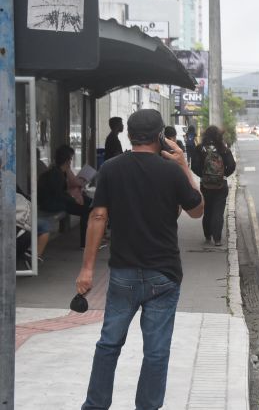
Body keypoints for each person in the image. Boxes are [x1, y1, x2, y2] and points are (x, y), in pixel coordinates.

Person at [75, 109, 203, 410]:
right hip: (164, 275)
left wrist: (87, 269)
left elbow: (98, 216)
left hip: (122, 273)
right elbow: (197, 211)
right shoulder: (171, 171)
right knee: (156, 352)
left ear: (128, 135)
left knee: (108, 344)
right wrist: (184, 165)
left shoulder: (111, 168)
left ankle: (94, 406)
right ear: (160, 136)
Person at [37, 145, 92, 248]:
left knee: (87, 203)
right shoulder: (56, 174)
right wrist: (73, 199)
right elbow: (59, 195)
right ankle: (85, 243)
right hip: (51, 204)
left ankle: (88, 241)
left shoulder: (57, 171)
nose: (71, 162)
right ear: (67, 160)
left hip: (53, 201)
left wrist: (73, 197)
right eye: (70, 159)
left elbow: (61, 192)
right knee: (86, 210)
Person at [191, 125, 236, 246]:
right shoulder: (223, 149)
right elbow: (232, 165)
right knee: (218, 211)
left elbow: (194, 166)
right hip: (221, 185)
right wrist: (223, 174)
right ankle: (217, 239)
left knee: (208, 211)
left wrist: (203, 176)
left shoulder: (200, 149)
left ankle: (207, 236)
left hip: (205, 185)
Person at [16, 187, 51, 268]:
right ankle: (33, 257)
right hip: (16, 220)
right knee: (44, 226)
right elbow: (25, 198)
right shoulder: (8, 180)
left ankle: (32, 256)